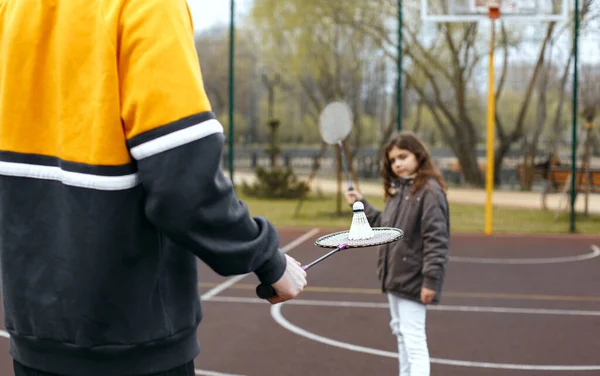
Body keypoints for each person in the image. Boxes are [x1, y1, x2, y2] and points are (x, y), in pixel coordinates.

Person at [0, 0, 306, 375]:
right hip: (133, 341)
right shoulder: (148, 6)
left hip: (33, 338)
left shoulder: (13, 8)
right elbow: (185, 187)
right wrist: (266, 257)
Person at [346, 131, 450, 376]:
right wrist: (360, 206)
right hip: (395, 277)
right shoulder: (400, 191)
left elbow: (436, 240)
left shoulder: (430, 193)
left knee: (414, 341)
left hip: (413, 278)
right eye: (393, 161)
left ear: (418, 155)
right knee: (402, 336)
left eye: (403, 157)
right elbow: (387, 227)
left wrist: (431, 281)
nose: (398, 164)